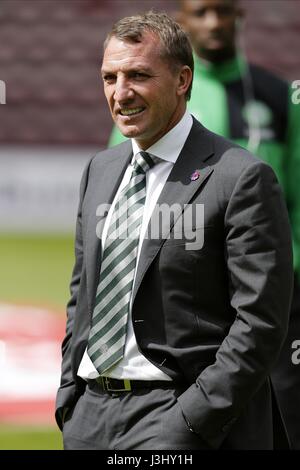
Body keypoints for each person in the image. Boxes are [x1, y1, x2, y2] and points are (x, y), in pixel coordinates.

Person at [56, 11, 293, 450]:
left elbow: (260, 321)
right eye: (110, 78)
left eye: (139, 75)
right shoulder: (100, 169)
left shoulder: (241, 177)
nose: (120, 93)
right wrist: (70, 395)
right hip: (88, 417)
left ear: (182, 80)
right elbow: (81, 294)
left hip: (174, 415)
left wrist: (189, 420)